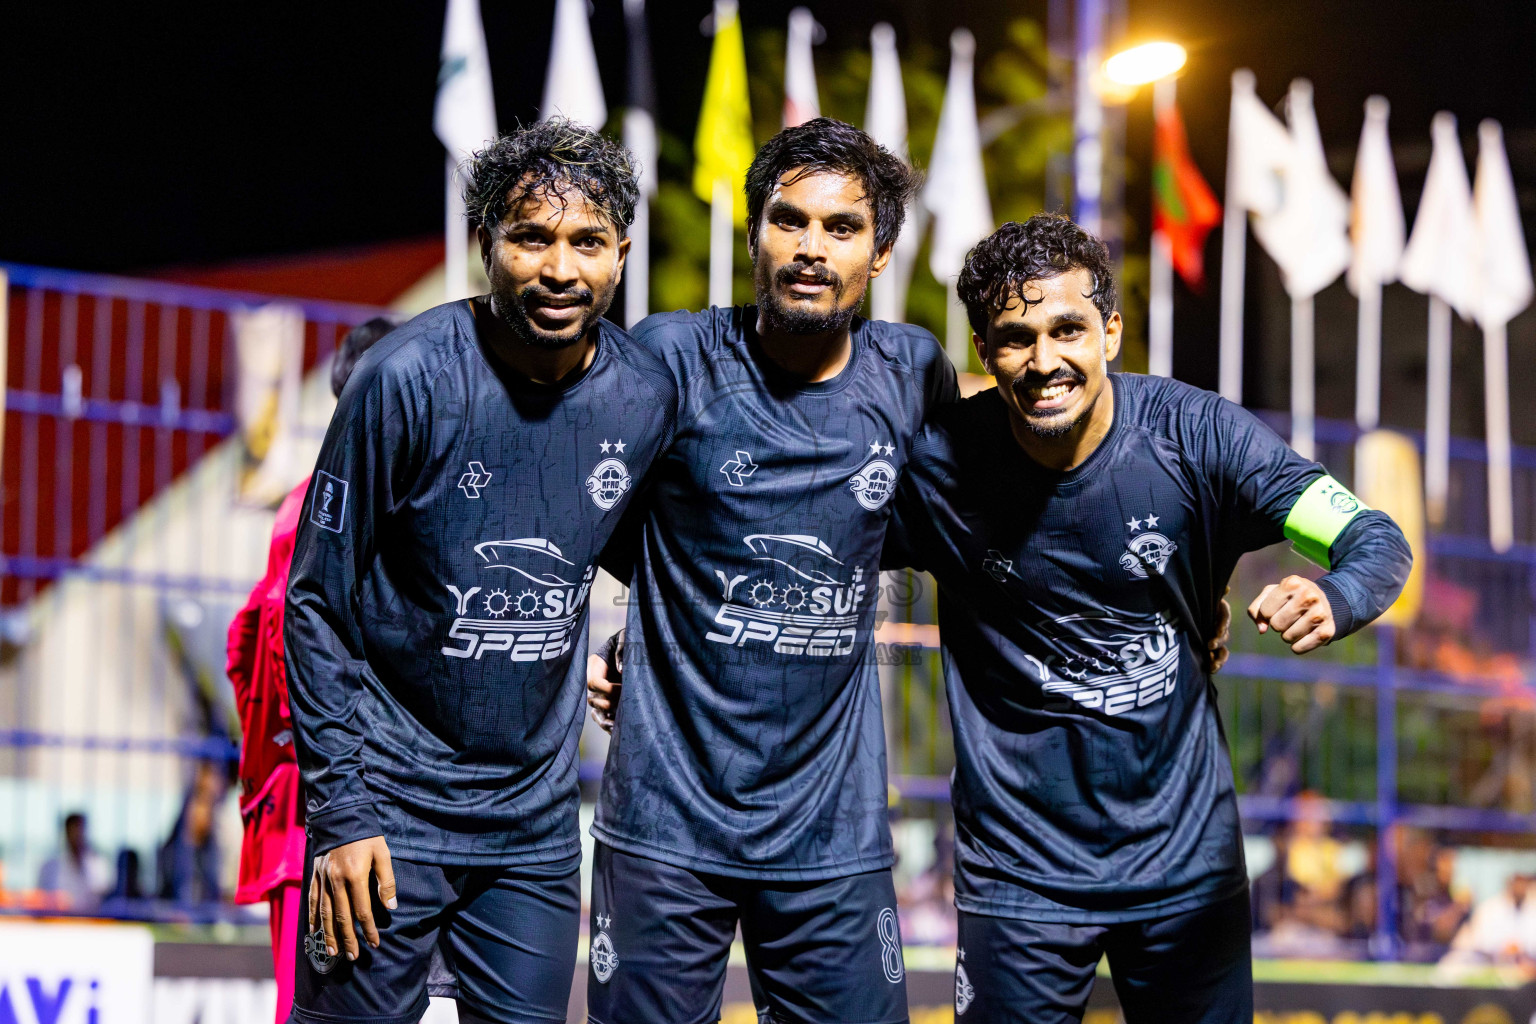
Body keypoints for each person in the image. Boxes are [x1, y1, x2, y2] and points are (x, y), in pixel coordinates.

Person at [885, 214, 1413, 1023]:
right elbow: (795, 544)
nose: (1045, 360)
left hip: (1186, 870)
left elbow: (1372, 537)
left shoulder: (1198, 437)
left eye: (1068, 329)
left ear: (1112, 331)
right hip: (1019, 878)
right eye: (1015, 337)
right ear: (984, 350)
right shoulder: (940, 464)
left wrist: (1335, 597)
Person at [284, 119, 675, 1024]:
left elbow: (643, 552)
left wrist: (629, 641)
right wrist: (342, 812)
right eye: (531, 237)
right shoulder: (406, 380)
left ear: (621, 253)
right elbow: (314, 602)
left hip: (532, 829)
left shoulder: (643, 396)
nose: (559, 268)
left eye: (586, 242)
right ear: (486, 244)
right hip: (387, 808)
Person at [583, 117, 950, 1024]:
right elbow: (576, 506)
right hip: (665, 824)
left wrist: (1176, 593)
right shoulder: (670, 358)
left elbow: (984, 525)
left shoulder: (912, 373)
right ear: (753, 236)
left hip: (834, 830)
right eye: (789, 221)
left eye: (841, 227)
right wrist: (649, 619)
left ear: (882, 250)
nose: (811, 249)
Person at [226, 315, 395, 1024]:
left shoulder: (300, 503)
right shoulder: (372, 505)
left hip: (298, 810)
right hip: (346, 807)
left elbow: (245, 647)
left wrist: (266, 761)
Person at [37, 811, 111, 910]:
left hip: (92, 922)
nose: (76, 835)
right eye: (72, 830)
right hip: (58, 922)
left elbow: (103, 897)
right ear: (66, 832)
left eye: (79, 830)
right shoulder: (50, 867)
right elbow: (42, 900)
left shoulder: (98, 864)